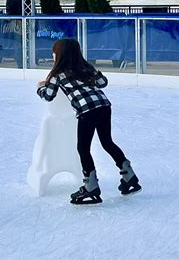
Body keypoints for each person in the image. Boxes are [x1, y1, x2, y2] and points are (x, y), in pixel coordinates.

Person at [36, 38, 141, 205]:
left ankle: (90, 186)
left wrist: (40, 86)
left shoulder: (58, 74)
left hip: (87, 110)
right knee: (107, 142)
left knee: (83, 148)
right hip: (104, 106)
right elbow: (103, 83)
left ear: (59, 55)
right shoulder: (86, 67)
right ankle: (129, 175)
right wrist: (94, 72)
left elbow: (48, 95)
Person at [5, 0, 23, 68]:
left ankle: (25, 61)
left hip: (25, 21)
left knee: (26, 42)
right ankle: (20, 62)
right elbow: (8, 9)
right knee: (18, 43)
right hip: (16, 21)